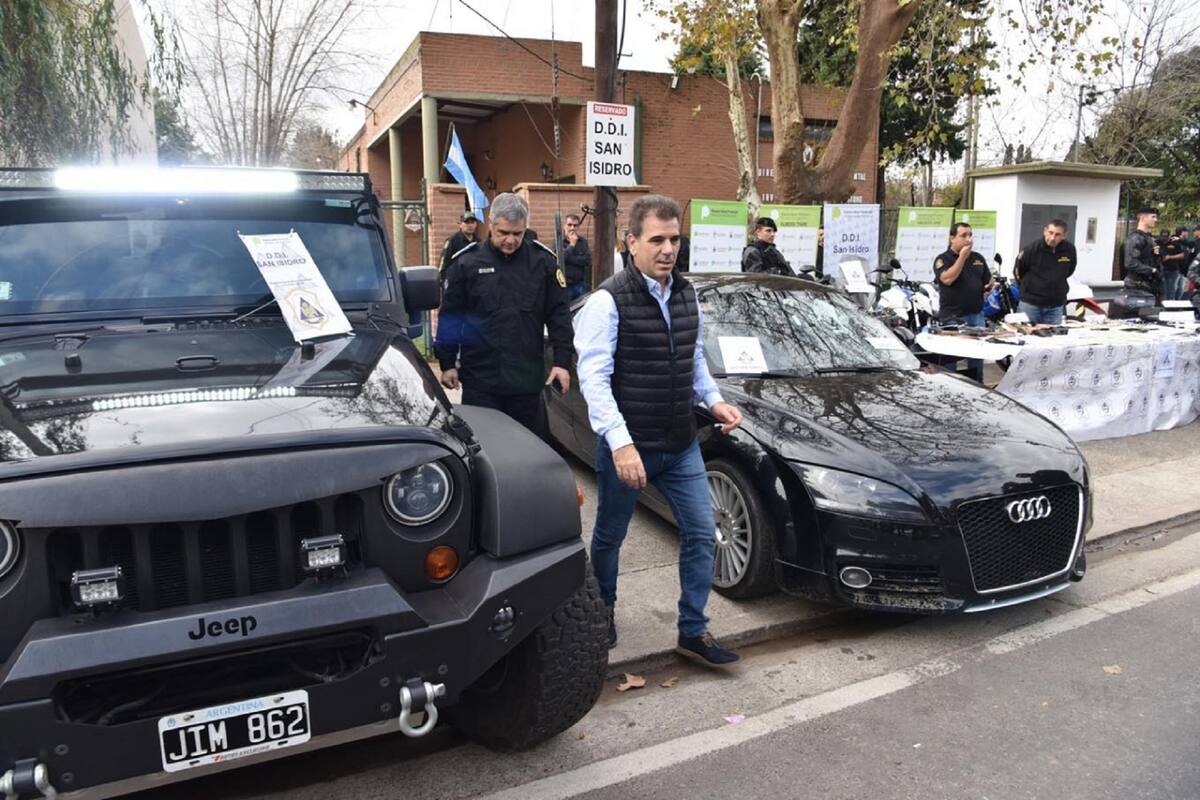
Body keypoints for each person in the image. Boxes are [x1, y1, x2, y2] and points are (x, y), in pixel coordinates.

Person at [574, 194, 744, 667]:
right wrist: (621, 445)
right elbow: (594, 380)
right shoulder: (607, 302)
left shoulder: (686, 294)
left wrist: (714, 400)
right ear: (631, 242)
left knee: (702, 533)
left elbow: (693, 359)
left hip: (680, 443)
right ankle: (603, 610)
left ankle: (692, 630)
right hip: (631, 446)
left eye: (674, 239)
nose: (668, 249)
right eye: (657, 240)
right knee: (610, 536)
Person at [435, 192, 572, 440]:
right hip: (480, 381)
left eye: (517, 233)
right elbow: (451, 316)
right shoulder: (467, 262)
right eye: (503, 232)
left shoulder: (542, 262)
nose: (510, 240)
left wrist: (561, 362)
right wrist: (447, 363)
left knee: (526, 449)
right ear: (491, 223)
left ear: (526, 227)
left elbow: (559, 316)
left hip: (525, 382)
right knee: (484, 449)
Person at [934, 222, 994, 382]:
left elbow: (987, 280)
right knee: (951, 362)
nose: (968, 239)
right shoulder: (943, 259)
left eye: (970, 235)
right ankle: (950, 389)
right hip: (953, 317)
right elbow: (947, 279)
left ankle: (977, 387)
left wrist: (989, 286)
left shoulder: (978, 258)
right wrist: (962, 257)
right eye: (963, 235)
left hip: (977, 315)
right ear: (952, 238)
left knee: (977, 361)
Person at [1013, 219, 1077, 324]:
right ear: (1045, 231)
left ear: (1064, 235)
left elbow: (1069, 270)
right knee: (1027, 333)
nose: (1052, 238)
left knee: (1054, 334)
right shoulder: (1031, 249)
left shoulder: (1069, 250)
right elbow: (1018, 272)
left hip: (1056, 306)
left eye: (1057, 234)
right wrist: (1029, 289)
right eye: (1050, 233)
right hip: (1031, 305)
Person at [1123, 207, 1162, 301]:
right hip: (1137, 286)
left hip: (1149, 286)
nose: (1156, 220)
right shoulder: (1135, 238)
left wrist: (1156, 255)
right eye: (1153, 217)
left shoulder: (1149, 238)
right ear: (1143, 218)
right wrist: (1151, 270)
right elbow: (1130, 263)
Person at [561, 213, 591, 301]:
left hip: (579, 284)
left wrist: (570, 259)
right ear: (564, 226)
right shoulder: (559, 242)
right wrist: (571, 245)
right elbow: (561, 259)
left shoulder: (583, 242)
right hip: (565, 286)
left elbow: (587, 260)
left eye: (575, 225)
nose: (572, 228)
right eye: (569, 225)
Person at [1161, 226, 1188, 301]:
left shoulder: (1175, 242)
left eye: (1166, 236)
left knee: (1172, 290)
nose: (1164, 238)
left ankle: (1172, 305)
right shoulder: (1159, 243)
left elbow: (1183, 255)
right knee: (1163, 291)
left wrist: (1169, 257)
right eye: (1163, 236)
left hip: (1173, 270)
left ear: (1169, 236)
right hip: (1162, 269)